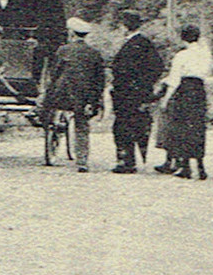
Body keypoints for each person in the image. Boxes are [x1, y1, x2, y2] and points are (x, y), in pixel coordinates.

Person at [40, 16, 106, 172]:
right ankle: (82, 161)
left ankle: (55, 126)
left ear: (72, 34)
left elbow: (55, 73)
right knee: (82, 127)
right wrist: (95, 101)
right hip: (84, 98)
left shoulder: (63, 50)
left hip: (62, 96)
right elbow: (99, 80)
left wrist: (47, 94)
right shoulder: (94, 53)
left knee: (50, 107)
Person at [108, 10, 166, 173]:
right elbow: (157, 67)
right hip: (134, 93)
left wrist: (138, 84)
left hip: (127, 93)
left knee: (123, 126)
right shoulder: (143, 42)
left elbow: (155, 67)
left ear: (125, 25)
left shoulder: (137, 43)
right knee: (132, 125)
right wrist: (144, 86)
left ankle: (126, 161)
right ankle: (129, 159)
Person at [155, 23, 213, 179]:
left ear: (183, 38)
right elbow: (207, 72)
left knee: (182, 128)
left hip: (185, 89)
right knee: (197, 128)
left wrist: (166, 100)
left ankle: (185, 167)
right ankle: (201, 168)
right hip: (199, 90)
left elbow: (174, 79)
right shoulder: (205, 55)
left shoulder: (182, 55)